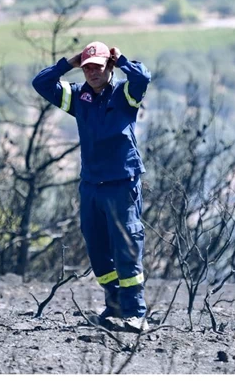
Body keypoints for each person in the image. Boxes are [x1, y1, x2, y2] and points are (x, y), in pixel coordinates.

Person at [32, 41, 151, 332]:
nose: (92, 73)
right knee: (97, 248)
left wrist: (121, 58)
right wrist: (67, 64)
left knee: (126, 246)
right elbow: (41, 83)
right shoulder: (78, 97)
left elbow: (142, 77)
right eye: (87, 68)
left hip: (121, 184)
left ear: (109, 67)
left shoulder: (125, 92)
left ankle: (135, 313)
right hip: (91, 186)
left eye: (97, 67)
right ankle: (114, 306)